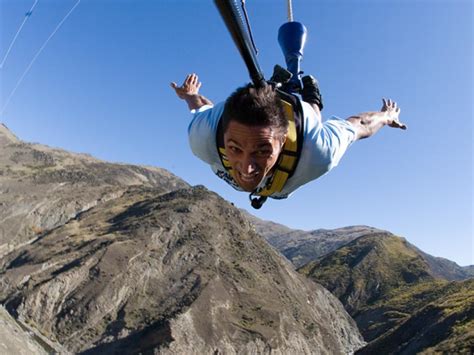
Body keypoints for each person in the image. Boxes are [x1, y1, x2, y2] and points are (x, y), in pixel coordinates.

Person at [170, 72, 406, 208]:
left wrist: (386, 116)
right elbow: (201, 107)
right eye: (235, 148)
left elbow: (359, 125)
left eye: (262, 151)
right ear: (223, 137)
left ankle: (312, 93)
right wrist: (190, 95)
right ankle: (276, 86)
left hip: (301, 121)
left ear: (283, 142)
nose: (246, 167)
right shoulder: (203, 138)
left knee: (313, 112)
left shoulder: (316, 153)